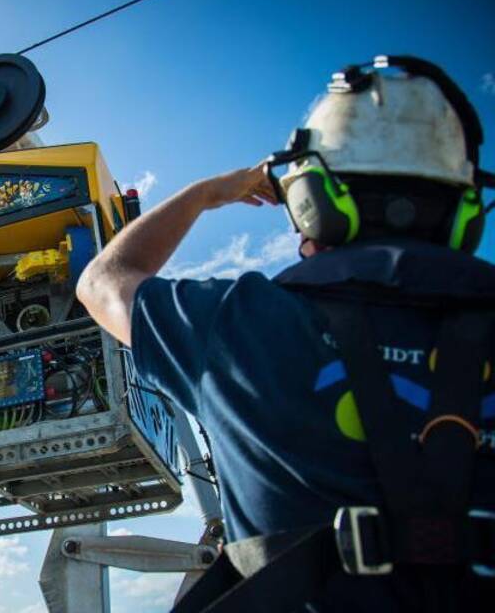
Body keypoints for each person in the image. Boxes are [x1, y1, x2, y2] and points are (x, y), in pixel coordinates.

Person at [76, 55, 495, 611]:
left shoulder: (236, 325)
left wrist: (206, 194)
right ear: (466, 213)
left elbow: (103, 282)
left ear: (314, 202)